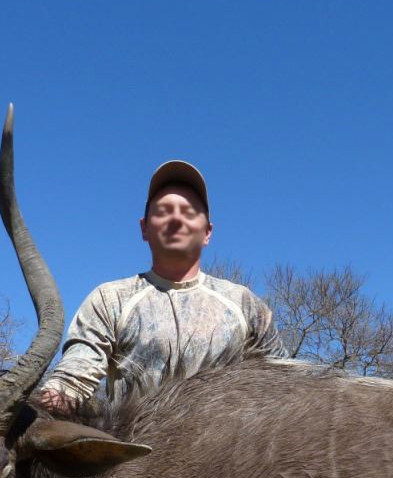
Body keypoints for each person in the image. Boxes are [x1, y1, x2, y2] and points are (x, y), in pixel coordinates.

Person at [40, 160, 284, 410]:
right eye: (163, 211)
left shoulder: (243, 303)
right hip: (133, 436)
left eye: (189, 211)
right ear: (144, 228)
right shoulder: (111, 299)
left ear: (207, 232)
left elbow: (285, 389)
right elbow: (71, 383)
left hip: (231, 436)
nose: (176, 218)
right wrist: (40, 409)